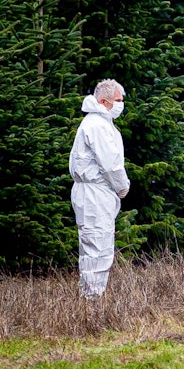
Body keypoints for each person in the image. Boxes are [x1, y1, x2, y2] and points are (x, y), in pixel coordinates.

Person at [70, 79, 130, 300]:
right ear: (104, 101)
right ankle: (92, 299)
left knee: (97, 244)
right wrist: (122, 186)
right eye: (117, 100)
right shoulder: (97, 125)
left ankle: (92, 296)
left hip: (96, 192)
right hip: (94, 193)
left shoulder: (99, 123)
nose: (120, 105)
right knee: (97, 246)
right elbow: (110, 164)